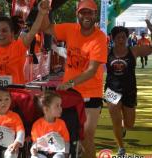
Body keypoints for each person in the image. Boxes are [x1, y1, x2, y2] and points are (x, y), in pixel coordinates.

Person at [41, 0, 107, 157]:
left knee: (87, 137)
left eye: (90, 12)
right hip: (70, 93)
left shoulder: (100, 38)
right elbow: (46, 28)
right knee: (65, 136)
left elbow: (91, 71)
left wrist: (69, 83)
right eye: (83, 12)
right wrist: (43, 12)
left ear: (95, 15)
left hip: (91, 93)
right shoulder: (70, 29)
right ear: (77, 14)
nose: (86, 16)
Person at [104, 20, 152, 156]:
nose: (121, 40)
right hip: (111, 90)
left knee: (129, 124)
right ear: (113, 39)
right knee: (115, 120)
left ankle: (123, 128)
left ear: (126, 38)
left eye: (123, 37)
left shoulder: (133, 51)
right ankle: (121, 148)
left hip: (129, 91)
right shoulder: (107, 52)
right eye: (118, 37)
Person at [0, 1, 49, 85]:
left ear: (12, 33)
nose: (0, 34)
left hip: (15, 94)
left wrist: (41, 13)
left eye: (4, 31)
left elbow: (33, 31)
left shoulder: (19, 45)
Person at [30, 91, 70, 158]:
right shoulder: (37, 125)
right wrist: (33, 149)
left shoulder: (61, 124)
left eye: (60, 105)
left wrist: (66, 153)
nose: (61, 108)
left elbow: (66, 141)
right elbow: (35, 143)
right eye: (57, 106)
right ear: (46, 109)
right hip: (41, 152)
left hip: (57, 152)